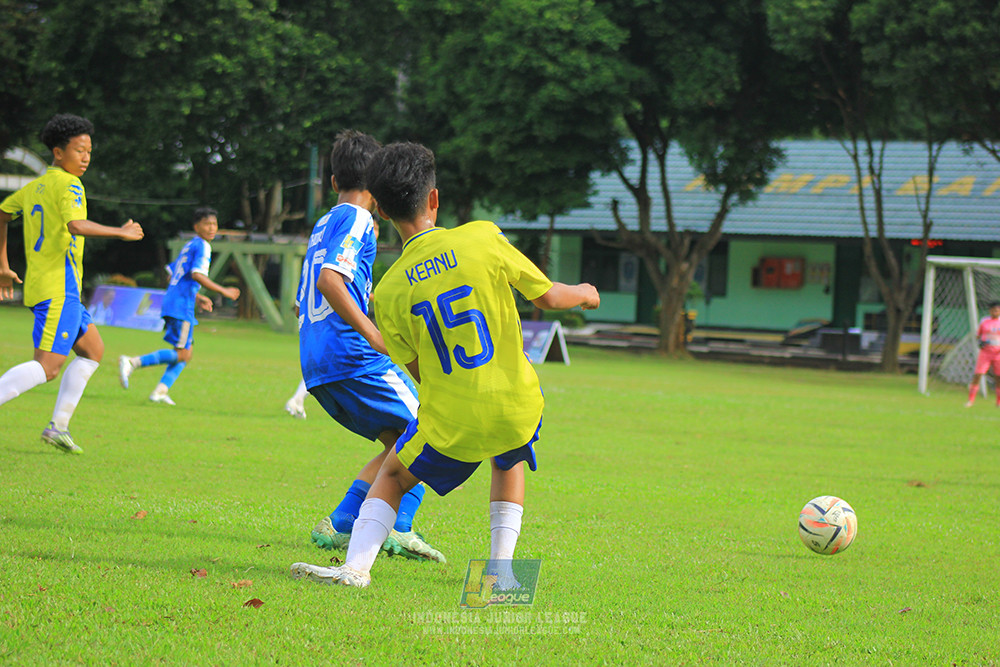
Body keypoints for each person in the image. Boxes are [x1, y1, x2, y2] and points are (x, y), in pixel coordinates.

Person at [290, 141, 599, 588]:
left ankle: (356, 568)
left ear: (382, 210)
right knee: (508, 459)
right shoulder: (482, 237)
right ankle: (501, 576)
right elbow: (550, 296)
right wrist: (586, 292)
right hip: (516, 404)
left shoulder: (391, 288)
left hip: (450, 416)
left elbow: (417, 370)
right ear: (434, 198)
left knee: (394, 473)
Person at [293, 130, 443, 562]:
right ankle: (399, 527)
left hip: (317, 359)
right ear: (376, 185)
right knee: (432, 427)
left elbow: (318, 285)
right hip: (351, 354)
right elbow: (329, 281)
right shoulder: (359, 219)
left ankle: (342, 523)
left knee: (401, 439)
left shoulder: (325, 221)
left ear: (334, 178)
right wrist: (374, 333)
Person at [0, 113, 144, 454]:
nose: (85, 158)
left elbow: (2, 214)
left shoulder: (35, 186)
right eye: (79, 150)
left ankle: (58, 428)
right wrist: (120, 231)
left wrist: (3, 265)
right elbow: (76, 225)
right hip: (57, 290)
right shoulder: (68, 184)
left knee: (93, 351)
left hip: (57, 291)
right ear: (58, 151)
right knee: (47, 367)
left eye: (89, 151)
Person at [118, 207, 240, 405]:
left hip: (176, 301)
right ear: (196, 226)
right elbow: (197, 275)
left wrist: (197, 296)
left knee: (186, 353)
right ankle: (132, 362)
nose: (212, 228)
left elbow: (171, 275)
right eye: (207, 224)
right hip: (181, 305)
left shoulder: (189, 245)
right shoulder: (203, 246)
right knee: (183, 353)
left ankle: (160, 391)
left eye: (214, 224)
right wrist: (223, 291)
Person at [965, 301, 1000, 407]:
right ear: (990, 310)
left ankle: (998, 402)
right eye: (993, 310)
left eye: (997, 310)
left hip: (998, 354)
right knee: (978, 375)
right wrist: (980, 342)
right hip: (985, 353)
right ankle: (970, 400)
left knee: (998, 377)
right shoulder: (984, 321)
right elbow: (978, 336)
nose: (995, 312)